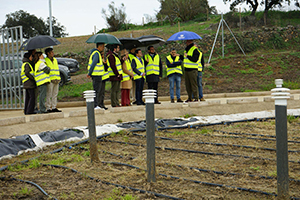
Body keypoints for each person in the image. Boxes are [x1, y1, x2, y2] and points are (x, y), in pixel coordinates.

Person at [86, 43, 105, 109]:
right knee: (97, 90)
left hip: (97, 75)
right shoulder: (96, 54)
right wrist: (89, 73)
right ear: (100, 46)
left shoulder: (96, 53)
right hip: (96, 75)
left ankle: (96, 104)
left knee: (97, 90)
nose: (103, 48)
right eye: (103, 46)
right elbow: (93, 63)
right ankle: (95, 105)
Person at [44, 48, 62, 112]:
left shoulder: (55, 60)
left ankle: (54, 107)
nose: (53, 53)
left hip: (56, 79)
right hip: (50, 80)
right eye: (51, 52)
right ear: (48, 53)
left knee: (55, 94)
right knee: (49, 94)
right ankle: (48, 107)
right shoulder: (45, 60)